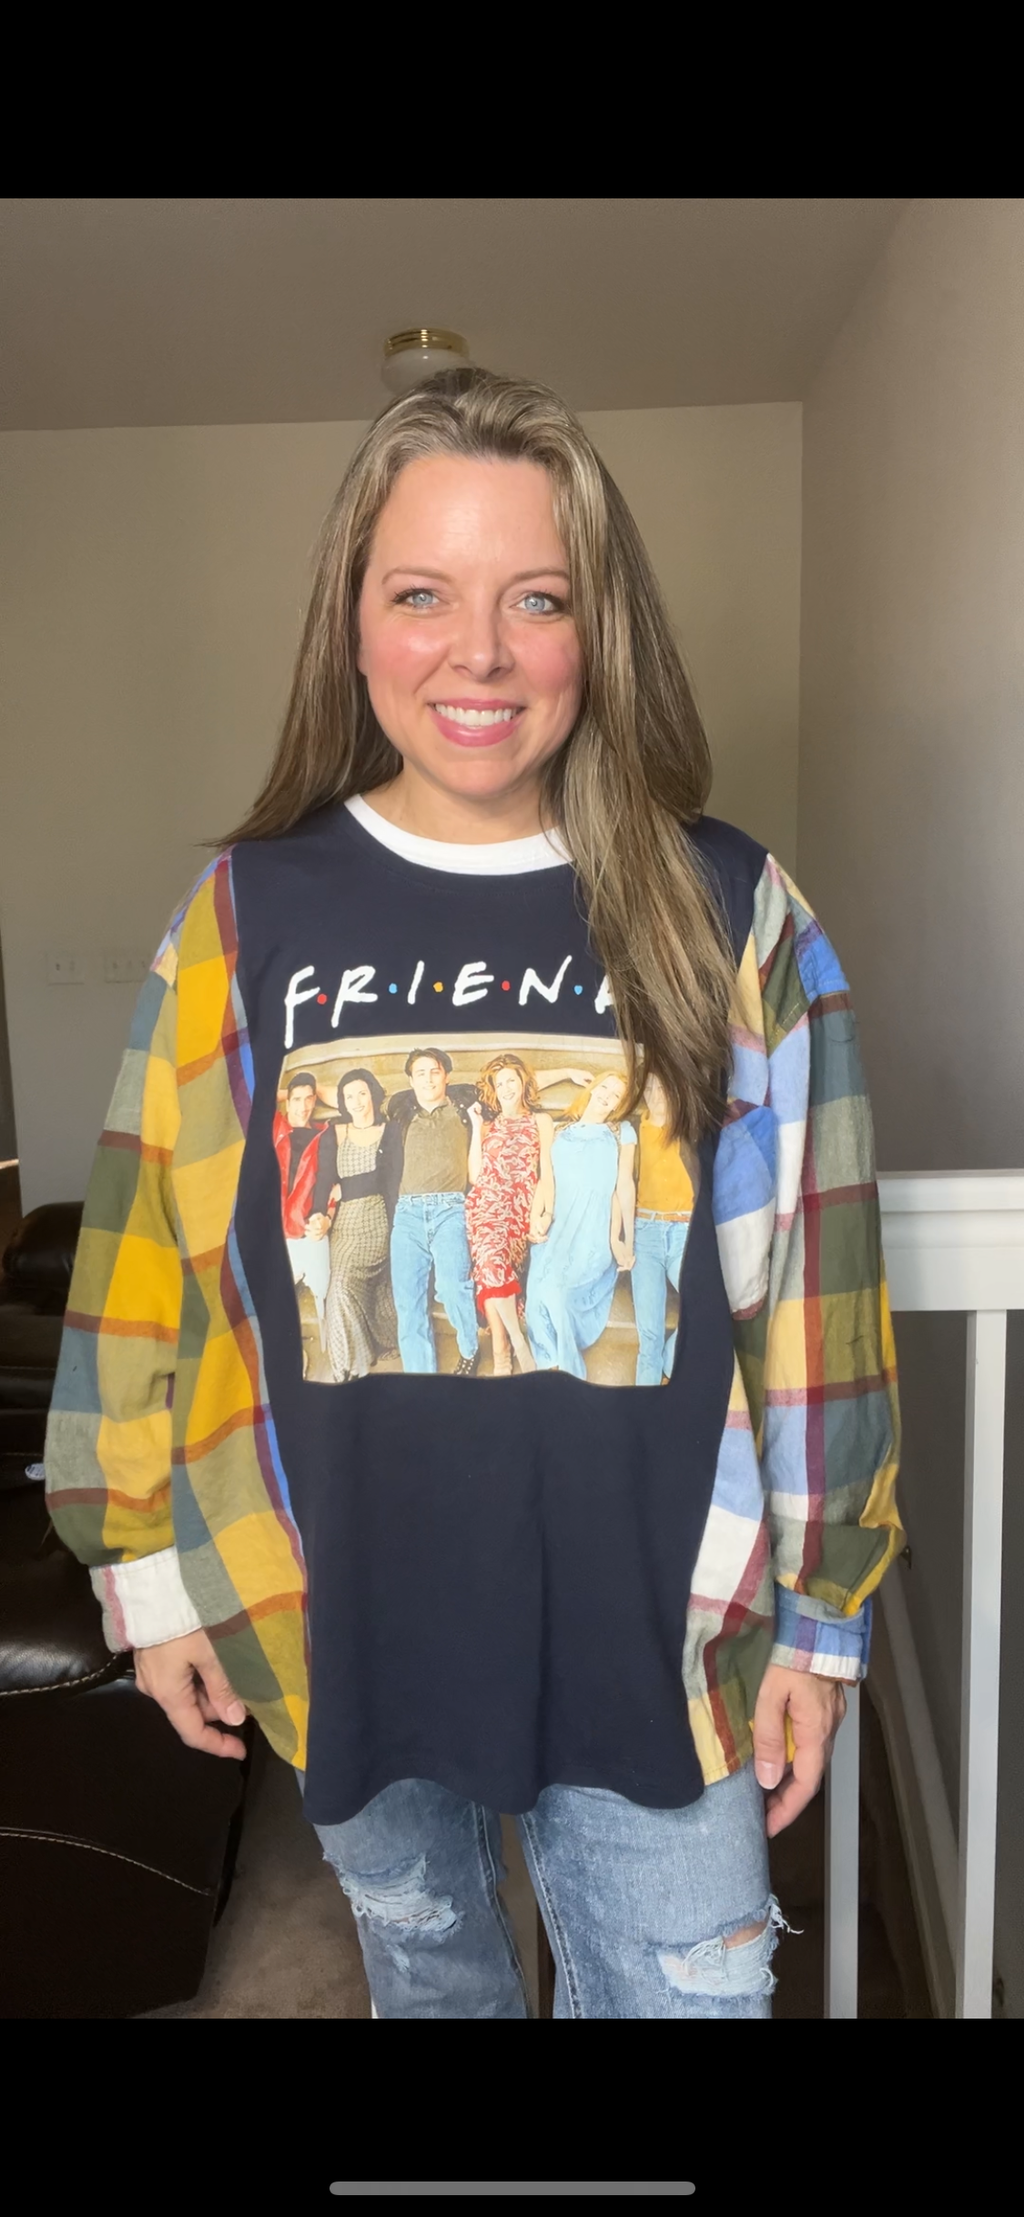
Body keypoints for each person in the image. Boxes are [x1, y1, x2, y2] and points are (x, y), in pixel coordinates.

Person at [42, 367, 902, 2020]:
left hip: (663, 1641)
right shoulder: (243, 916)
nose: (479, 652)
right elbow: (148, 1256)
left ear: (601, 629)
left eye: (538, 598)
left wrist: (823, 1616)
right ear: (354, 624)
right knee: (431, 1987)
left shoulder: (729, 906)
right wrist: (143, 1570)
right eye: (422, 593)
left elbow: (811, 1282)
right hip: (343, 1615)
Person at [464, 1052, 592, 1375]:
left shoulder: (540, 1121)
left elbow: (546, 1170)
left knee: (492, 1267)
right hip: (485, 1205)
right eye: (500, 1083)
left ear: (524, 1084)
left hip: (519, 1207)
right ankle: (513, 1344)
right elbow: (475, 1176)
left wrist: (545, 1213)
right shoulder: (488, 1125)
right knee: (490, 1257)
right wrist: (476, 1129)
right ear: (493, 1090)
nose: (507, 1088)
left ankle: (502, 1345)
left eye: (512, 1081)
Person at [523, 1071, 638, 1379]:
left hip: (593, 1232)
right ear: (592, 1088)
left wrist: (621, 1240)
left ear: (620, 1105)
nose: (607, 1096)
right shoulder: (558, 1130)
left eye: (616, 1095)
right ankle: (550, 1373)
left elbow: (622, 1188)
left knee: (558, 1294)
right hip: (556, 1226)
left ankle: (570, 1375)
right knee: (536, 1300)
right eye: (604, 1087)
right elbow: (545, 1180)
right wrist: (535, 1218)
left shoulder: (622, 1133)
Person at [385, 1047, 482, 1375]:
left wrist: (565, 1073)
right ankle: (420, 1378)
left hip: (450, 1210)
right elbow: (361, 1095)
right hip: (407, 1214)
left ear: (447, 1076)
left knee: (453, 1287)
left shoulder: (464, 1108)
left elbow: (509, 1081)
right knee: (407, 1301)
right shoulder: (401, 1114)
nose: (428, 1079)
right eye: (420, 1073)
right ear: (411, 1080)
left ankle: (469, 1349)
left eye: (435, 1072)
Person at [309, 1067, 401, 1384]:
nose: (357, 1101)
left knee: (349, 1284)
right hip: (344, 1224)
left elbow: (388, 1180)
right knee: (341, 1284)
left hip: (377, 1219)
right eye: (349, 1096)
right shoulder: (335, 1132)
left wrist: (347, 1187)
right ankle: (351, 1366)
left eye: (362, 1093)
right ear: (343, 1102)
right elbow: (324, 1179)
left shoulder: (389, 1131)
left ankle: (356, 1359)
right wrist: (319, 1213)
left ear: (373, 1094)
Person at [631, 1070, 696, 1386]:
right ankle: (643, 1405)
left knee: (703, 1307)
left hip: (685, 1231)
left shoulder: (690, 1129)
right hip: (646, 1233)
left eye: (662, 1086)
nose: (655, 1093)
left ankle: (669, 1369)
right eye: (649, 1087)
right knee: (650, 1336)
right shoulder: (634, 1130)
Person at [273, 1070, 333, 1352]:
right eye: (297, 1100)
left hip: (305, 1225)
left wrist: (324, 1215)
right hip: (272, 1226)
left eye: (309, 1099)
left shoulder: (323, 1134)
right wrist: (290, 1091)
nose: (304, 1106)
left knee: (321, 1284)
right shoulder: (275, 1125)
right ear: (286, 1101)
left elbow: (326, 1179)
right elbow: (252, 1099)